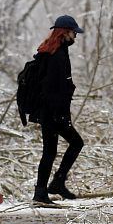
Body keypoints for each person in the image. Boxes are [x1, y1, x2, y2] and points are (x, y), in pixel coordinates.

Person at [31, 15, 86, 206]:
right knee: (74, 143)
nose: (75, 37)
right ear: (64, 33)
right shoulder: (57, 56)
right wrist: (59, 116)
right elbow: (53, 88)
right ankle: (52, 186)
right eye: (73, 33)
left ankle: (48, 188)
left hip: (49, 112)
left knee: (51, 151)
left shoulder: (51, 50)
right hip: (53, 114)